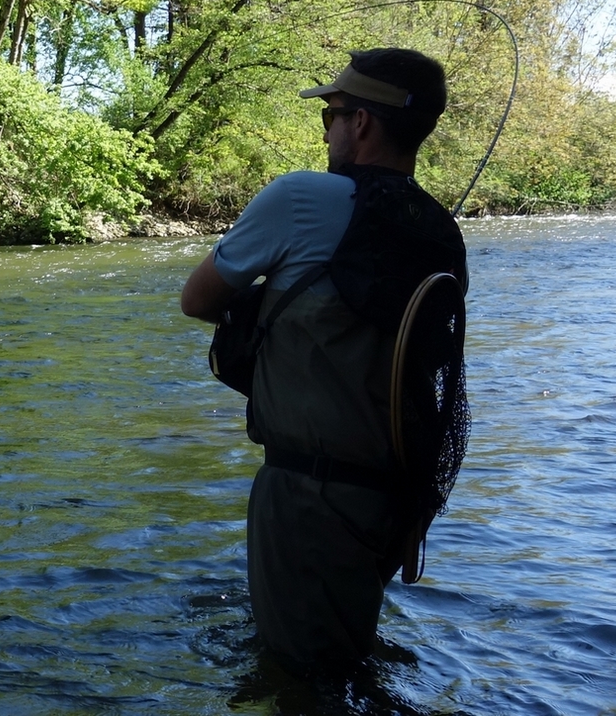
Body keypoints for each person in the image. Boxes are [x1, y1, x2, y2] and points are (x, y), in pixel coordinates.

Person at [179, 47, 465, 673]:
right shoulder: (438, 228)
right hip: (394, 500)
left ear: (360, 122)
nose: (329, 130)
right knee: (344, 660)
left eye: (331, 114)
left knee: (299, 681)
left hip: (307, 495)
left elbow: (196, 300)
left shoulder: (300, 198)